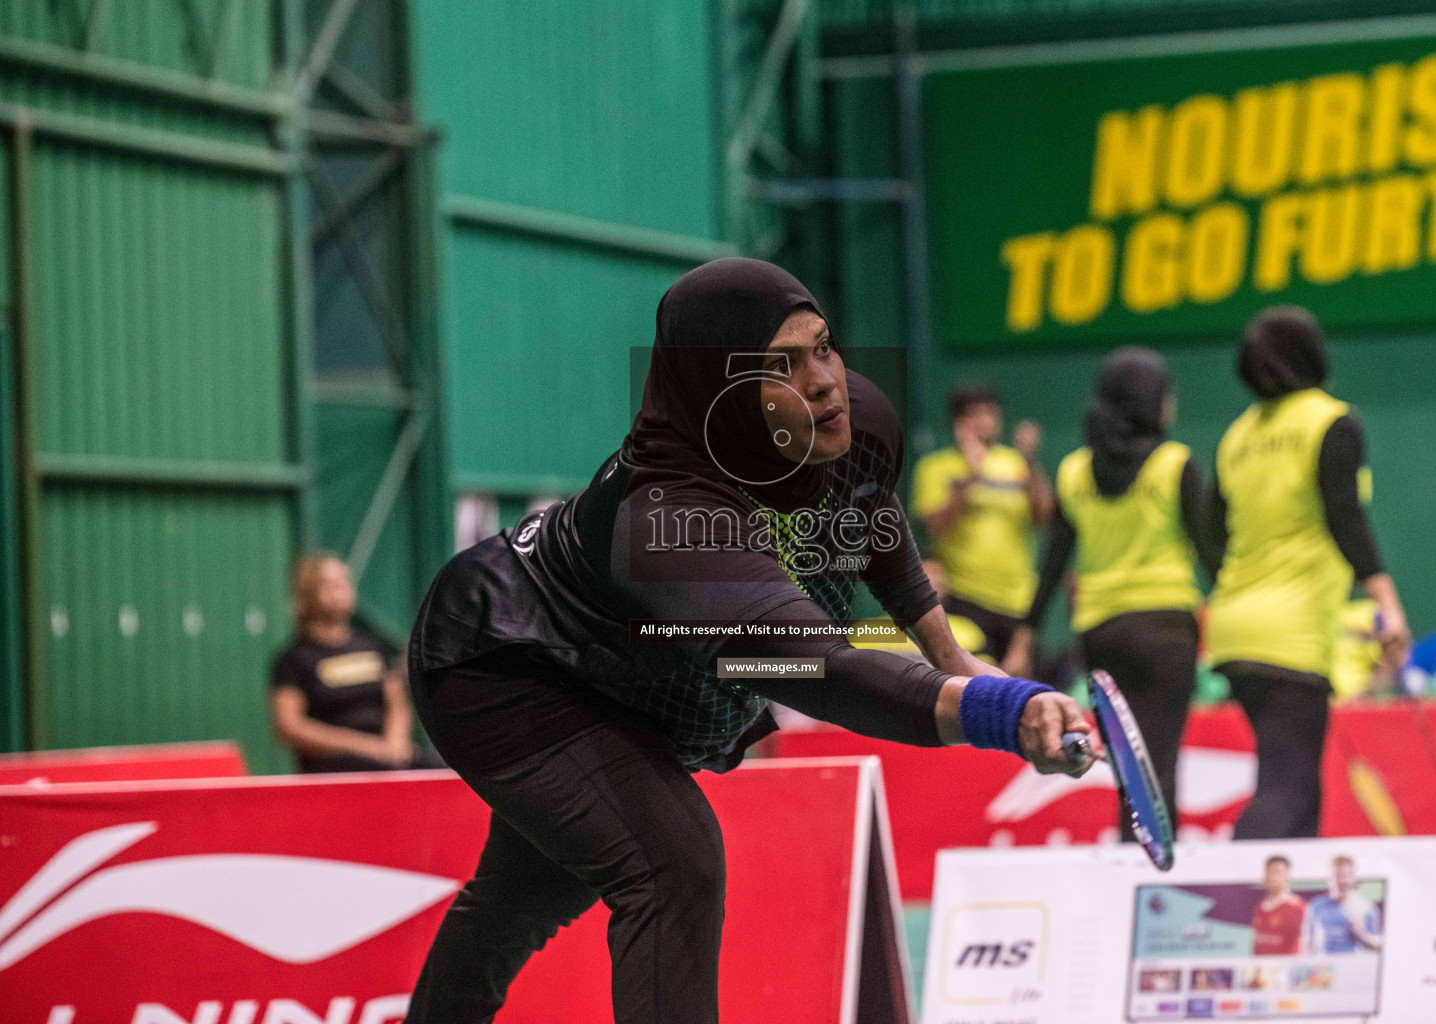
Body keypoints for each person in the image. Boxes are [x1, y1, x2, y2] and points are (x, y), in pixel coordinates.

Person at [403, 258, 1091, 1024]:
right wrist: (996, 710)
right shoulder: (669, 523)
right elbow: (816, 670)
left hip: (631, 672)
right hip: (504, 664)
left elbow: (873, 511)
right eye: (777, 367)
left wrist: (950, 654)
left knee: (520, 902)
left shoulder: (843, 419)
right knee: (672, 863)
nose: (824, 381)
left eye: (822, 346)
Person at [1205, 307, 1410, 840]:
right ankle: (1240, 899)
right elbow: (1347, 519)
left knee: (1296, 788)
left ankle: (1287, 914)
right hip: (1290, 635)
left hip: (1233, 626)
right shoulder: (1330, 422)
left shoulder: (1235, 438)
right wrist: (1389, 606)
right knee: (1287, 788)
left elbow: (1212, 536)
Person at [1022, 347, 1219, 842]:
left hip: (1101, 634)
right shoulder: (1175, 465)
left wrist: (1025, 633)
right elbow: (1215, 558)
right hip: (1167, 631)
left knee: (1130, 769)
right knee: (1160, 766)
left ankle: (1131, 867)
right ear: (1152, 402)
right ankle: (1153, 883)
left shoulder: (1072, 472)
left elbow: (1052, 566)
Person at [912, 382, 1053, 673]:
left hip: (1018, 603)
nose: (984, 421)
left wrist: (1031, 464)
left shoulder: (1016, 463)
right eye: (974, 414)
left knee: (1025, 693)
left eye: (990, 413)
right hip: (964, 601)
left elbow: (1044, 517)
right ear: (957, 422)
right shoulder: (935, 466)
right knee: (974, 692)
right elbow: (935, 527)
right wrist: (970, 474)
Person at [268, 552, 432, 772]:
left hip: (388, 757)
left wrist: (395, 742)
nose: (340, 591)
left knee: (451, 781)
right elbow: (289, 727)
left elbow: (397, 704)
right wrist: (365, 747)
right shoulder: (293, 659)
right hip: (334, 768)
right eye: (329, 584)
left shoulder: (372, 647)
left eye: (343, 581)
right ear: (306, 596)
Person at [1302, 856, 1381, 954]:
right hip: (1323, 967)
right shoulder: (1316, 906)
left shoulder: (1367, 908)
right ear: (1328, 878)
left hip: (1353, 966)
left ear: (1353, 878)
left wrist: (1363, 935)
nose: (1341, 881)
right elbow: (1307, 944)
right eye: (1337, 876)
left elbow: (1379, 945)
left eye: (1346, 876)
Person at [1251, 855, 1306, 956]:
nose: (1272, 877)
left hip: (1285, 969)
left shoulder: (1298, 908)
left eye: (1277, 872)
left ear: (1287, 875)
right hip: (1262, 969)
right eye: (1269, 872)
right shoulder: (1259, 907)